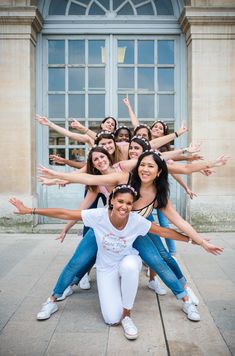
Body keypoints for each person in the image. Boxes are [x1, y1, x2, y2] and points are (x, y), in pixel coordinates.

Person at [37, 151, 226, 322]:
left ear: (159, 172)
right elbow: (91, 179)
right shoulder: (124, 177)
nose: (144, 169)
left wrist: (200, 241)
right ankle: (52, 299)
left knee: (157, 261)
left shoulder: (159, 195)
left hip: (134, 233)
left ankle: (185, 300)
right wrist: (58, 175)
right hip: (106, 227)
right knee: (77, 262)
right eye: (142, 165)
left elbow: (180, 221)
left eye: (150, 166)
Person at [9, 185, 210, 340]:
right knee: (111, 319)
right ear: (112, 200)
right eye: (120, 201)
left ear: (133, 206)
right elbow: (64, 213)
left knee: (131, 266)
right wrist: (30, 210)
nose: (124, 206)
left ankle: (128, 315)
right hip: (106, 268)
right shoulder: (97, 216)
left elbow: (164, 232)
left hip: (127, 261)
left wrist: (197, 241)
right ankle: (115, 311)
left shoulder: (136, 221)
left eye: (129, 203)